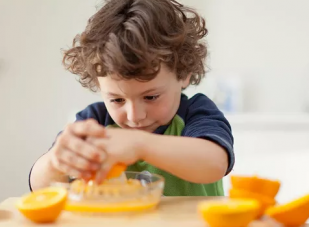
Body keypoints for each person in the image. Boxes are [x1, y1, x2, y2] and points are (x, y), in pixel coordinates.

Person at [29, 0, 235, 196]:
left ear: (183, 75)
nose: (134, 116)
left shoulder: (196, 113)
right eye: (117, 100)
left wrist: (139, 145)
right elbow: (43, 187)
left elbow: (214, 164)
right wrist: (55, 161)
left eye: (151, 97)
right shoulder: (95, 122)